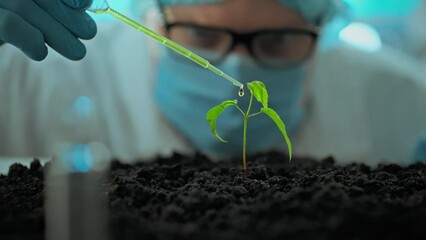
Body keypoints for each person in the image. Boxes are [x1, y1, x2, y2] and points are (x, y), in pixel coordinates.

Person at [0, 0, 425, 167]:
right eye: (201, 37)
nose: (238, 71)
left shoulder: (404, 102)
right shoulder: (32, 72)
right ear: (155, 23)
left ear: (322, 31)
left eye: (278, 41)